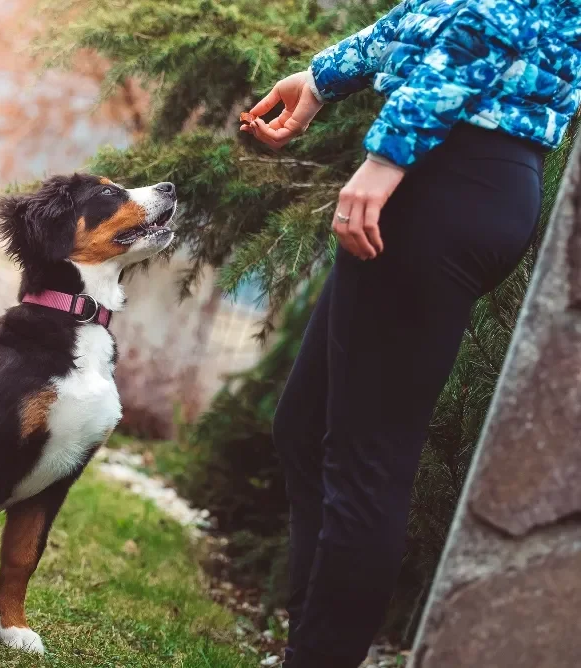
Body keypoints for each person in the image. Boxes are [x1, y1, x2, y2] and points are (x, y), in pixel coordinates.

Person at [241, 1, 579, 666]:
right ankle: (308, 644)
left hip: (452, 172)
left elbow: (489, 25)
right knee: (306, 428)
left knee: (366, 464)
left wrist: (389, 155)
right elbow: (442, 10)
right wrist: (319, 80)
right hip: (458, 170)